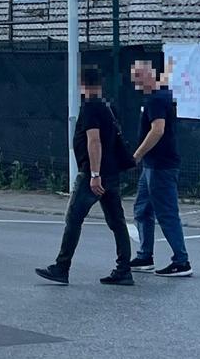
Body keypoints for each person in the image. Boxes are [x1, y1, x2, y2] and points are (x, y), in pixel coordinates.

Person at [35, 65, 135, 286]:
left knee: (73, 218)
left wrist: (94, 174)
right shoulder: (109, 108)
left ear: (83, 84)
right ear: (99, 83)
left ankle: (62, 267)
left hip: (94, 174)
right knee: (117, 221)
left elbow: (94, 140)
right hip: (112, 173)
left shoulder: (90, 108)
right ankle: (124, 269)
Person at [129, 59, 192, 277]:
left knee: (166, 212)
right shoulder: (159, 95)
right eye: (134, 77)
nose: (135, 82)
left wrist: (137, 155)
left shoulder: (156, 99)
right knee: (142, 209)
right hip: (153, 165)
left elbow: (158, 130)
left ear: (149, 75)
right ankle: (145, 256)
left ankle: (181, 261)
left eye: (138, 76)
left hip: (160, 166)